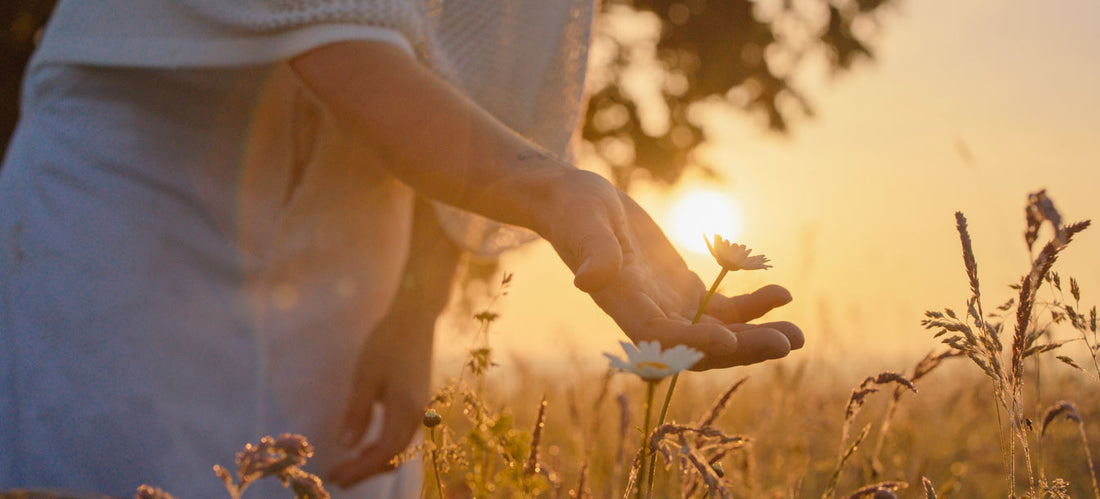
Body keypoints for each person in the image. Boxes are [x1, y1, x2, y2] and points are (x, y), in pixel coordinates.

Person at [0, 1, 804, 497]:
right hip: (141, 168)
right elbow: (337, 38)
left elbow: (497, 74)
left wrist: (417, 303)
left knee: (330, 473)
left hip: (377, 205)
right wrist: (551, 188)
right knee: (103, 473)